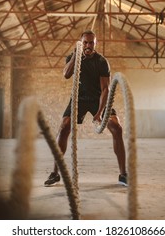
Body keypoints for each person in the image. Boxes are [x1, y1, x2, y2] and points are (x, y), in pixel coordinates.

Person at [44, 30, 127, 187]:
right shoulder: (73, 58)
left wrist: (99, 113)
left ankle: (123, 174)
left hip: (98, 99)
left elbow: (105, 89)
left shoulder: (102, 62)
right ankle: (55, 173)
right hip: (79, 99)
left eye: (91, 43)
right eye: (85, 43)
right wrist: (77, 55)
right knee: (63, 128)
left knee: (117, 128)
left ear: (95, 44)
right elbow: (66, 74)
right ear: (82, 43)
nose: (88, 45)